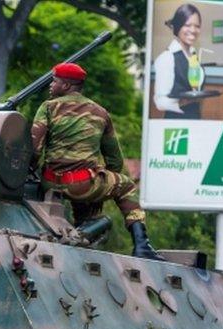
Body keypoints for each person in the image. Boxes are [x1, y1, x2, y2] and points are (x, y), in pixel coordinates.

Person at [30, 62, 164, 261]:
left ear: (66, 86)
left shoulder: (48, 108)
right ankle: (142, 245)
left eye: (55, 81)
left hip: (49, 184)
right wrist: (100, 188)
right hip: (83, 185)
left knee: (85, 207)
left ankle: (79, 235)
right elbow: (115, 160)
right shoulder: (100, 113)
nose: (51, 85)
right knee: (126, 185)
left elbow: (35, 148)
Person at [153, 3, 203, 119]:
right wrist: (185, 101)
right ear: (177, 27)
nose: (193, 30)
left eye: (197, 26)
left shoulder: (193, 55)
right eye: (187, 25)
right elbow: (160, 102)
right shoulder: (167, 58)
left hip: (195, 120)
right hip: (175, 125)